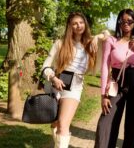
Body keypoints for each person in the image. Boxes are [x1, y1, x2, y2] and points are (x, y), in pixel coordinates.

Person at [42, 12, 108, 148]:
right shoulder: (60, 43)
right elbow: (45, 66)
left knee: (64, 124)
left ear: (85, 24)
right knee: (56, 124)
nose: (79, 26)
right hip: (55, 84)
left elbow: (108, 35)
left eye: (81, 22)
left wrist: (98, 37)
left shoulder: (90, 43)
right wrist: (53, 78)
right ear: (70, 26)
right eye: (75, 23)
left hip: (75, 87)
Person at [94, 8, 134, 148]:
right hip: (117, 81)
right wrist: (103, 95)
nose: (126, 24)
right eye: (122, 21)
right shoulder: (111, 41)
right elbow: (105, 67)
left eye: (129, 21)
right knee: (106, 121)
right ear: (118, 22)